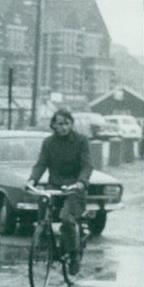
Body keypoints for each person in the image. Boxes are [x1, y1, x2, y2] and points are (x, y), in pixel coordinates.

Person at [26, 108, 92, 274]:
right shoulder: (49, 143)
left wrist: (81, 182)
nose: (64, 127)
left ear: (71, 124)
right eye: (60, 124)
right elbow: (41, 163)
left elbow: (87, 165)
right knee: (42, 200)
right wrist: (32, 179)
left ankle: (74, 256)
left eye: (67, 123)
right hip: (54, 186)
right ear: (53, 125)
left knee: (67, 220)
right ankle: (43, 238)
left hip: (74, 188)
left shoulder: (81, 141)